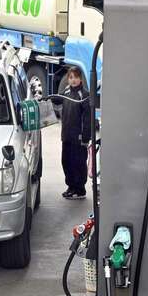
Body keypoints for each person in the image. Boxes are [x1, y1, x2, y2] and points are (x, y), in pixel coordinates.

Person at [54, 66, 91, 200]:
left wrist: (86, 137)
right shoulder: (67, 91)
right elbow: (58, 99)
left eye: (76, 77)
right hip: (67, 136)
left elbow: (87, 119)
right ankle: (71, 186)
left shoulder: (84, 96)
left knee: (78, 163)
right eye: (70, 77)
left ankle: (80, 189)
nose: (73, 80)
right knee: (66, 161)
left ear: (80, 79)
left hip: (79, 138)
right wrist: (49, 99)